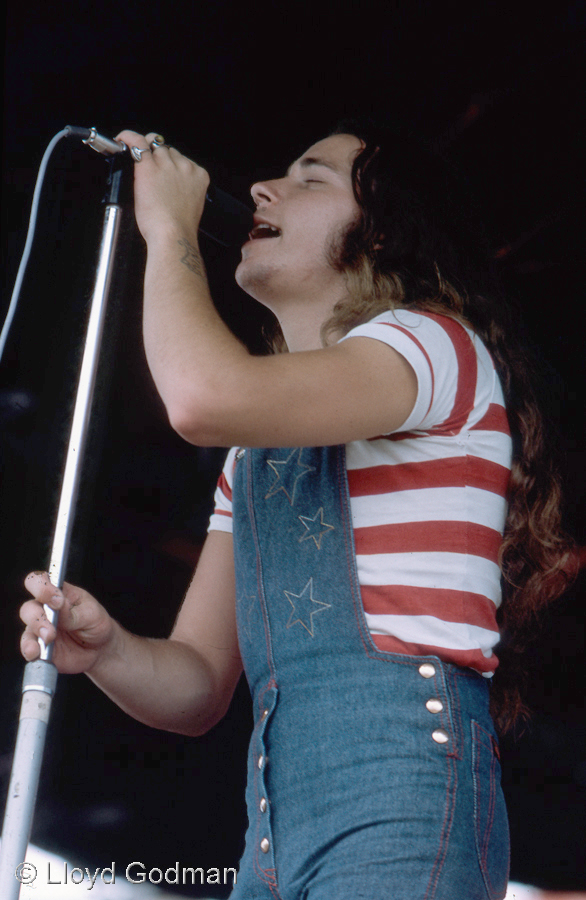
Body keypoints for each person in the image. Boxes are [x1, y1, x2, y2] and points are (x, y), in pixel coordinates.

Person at [20, 121, 574, 899]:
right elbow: (199, 684)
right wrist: (108, 650)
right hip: (277, 830)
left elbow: (201, 398)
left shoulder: (432, 344)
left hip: (402, 796)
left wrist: (169, 228)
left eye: (312, 178)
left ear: (380, 231)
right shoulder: (255, 458)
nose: (262, 190)